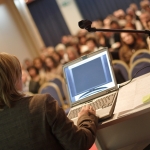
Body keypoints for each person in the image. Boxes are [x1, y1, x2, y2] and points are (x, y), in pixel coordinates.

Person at [0, 52, 98, 150]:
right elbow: (79, 144)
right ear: (13, 78)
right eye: (19, 72)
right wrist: (85, 118)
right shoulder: (41, 104)